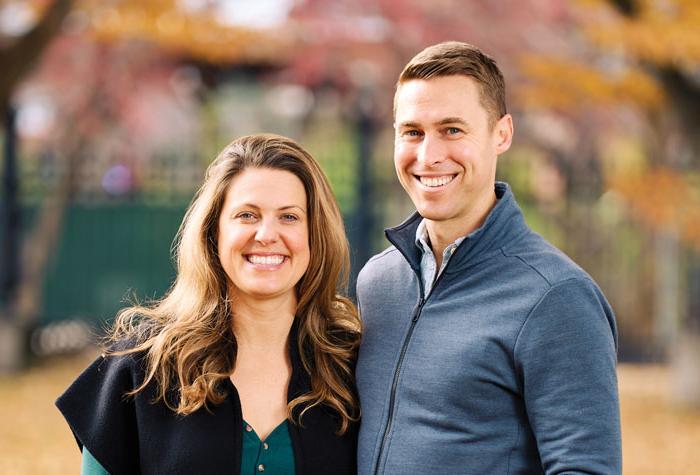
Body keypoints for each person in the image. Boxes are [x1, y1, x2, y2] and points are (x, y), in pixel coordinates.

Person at [355, 41, 621, 474]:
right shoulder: (378, 283)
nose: (429, 155)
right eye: (412, 132)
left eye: (452, 130)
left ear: (502, 134)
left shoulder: (556, 297)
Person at [57, 134, 361, 475]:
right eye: (247, 215)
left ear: (315, 234)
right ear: (213, 232)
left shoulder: (351, 368)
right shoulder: (143, 368)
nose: (266, 234)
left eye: (289, 217)